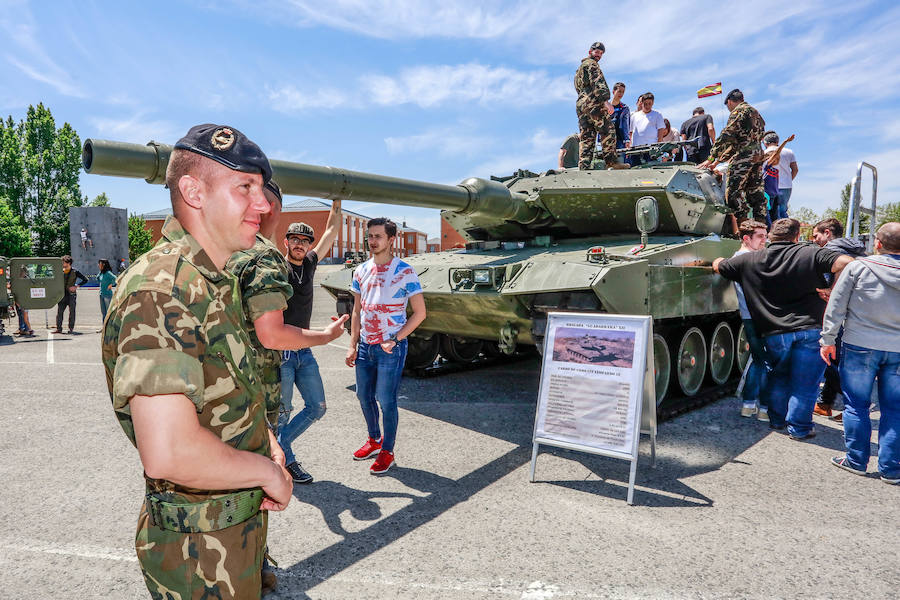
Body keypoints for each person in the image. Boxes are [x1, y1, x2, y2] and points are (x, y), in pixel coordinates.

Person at [101, 123, 294, 599]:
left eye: (262, 189)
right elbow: (170, 450)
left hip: (229, 534)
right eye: (245, 187)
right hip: (197, 556)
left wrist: (265, 440)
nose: (265, 204)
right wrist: (267, 473)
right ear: (193, 191)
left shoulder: (214, 280)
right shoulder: (162, 289)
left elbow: (226, 386)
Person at [713, 218, 854, 439]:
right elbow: (847, 262)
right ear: (797, 236)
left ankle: (777, 420)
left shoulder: (750, 259)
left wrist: (719, 258)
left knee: (778, 377)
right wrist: (832, 289)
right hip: (811, 328)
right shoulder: (812, 253)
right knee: (805, 384)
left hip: (774, 332)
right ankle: (799, 429)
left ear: (770, 237)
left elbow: (719, 266)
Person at [345, 218, 427, 474]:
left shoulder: (405, 271)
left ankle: (387, 452)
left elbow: (420, 313)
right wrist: (352, 344)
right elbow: (357, 310)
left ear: (391, 240)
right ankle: (374, 440)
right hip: (366, 347)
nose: (372, 241)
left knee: (386, 400)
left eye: (378, 236)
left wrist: (396, 338)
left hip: (390, 348)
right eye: (370, 236)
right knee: (363, 396)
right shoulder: (360, 271)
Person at [822, 222, 900, 484]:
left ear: (877, 243)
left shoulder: (858, 267)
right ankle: (891, 469)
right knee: (895, 409)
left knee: (856, 405)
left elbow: (836, 305)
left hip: (860, 344)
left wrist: (828, 339)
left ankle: (856, 460)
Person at [276, 198, 343, 484]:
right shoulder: (278, 267)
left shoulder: (311, 263)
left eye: (305, 240)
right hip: (281, 354)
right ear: (286, 242)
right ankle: (286, 461)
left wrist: (336, 200)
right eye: (295, 239)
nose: (300, 244)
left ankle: (277, 449)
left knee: (317, 407)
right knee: (282, 414)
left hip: (304, 351)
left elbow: (331, 232)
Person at [810, 218, 867, 420]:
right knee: (838, 361)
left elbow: (843, 267)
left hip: (842, 314)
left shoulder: (833, 248)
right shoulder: (856, 249)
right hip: (858, 313)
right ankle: (825, 403)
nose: (815, 240)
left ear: (827, 232)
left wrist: (833, 291)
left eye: (816, 235)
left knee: (833, 361)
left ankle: (856, 405)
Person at [699, 89, 767, 232]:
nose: (729, 109)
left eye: (728, 106)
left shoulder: (739, 111)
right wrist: (718, 161)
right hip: (757, 155)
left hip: (744, 156)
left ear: (730, 101)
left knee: (733, 194)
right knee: (756, 194)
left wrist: (712, 156)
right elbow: (740, 141)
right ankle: (761, 231)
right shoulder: (757, 114)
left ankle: (745, 230)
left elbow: (727, 135)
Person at [730, 220, 770, 420]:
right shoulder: (753, 259)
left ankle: (749, 404)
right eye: (760, 236)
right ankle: (764, 408)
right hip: (762, 316)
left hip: (749, 315)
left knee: (758, 360)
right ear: (746, 238)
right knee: (768, 361)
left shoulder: (737, 258)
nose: (765, 240)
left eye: (766, 235)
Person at [574, 42, 628, 171]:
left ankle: (584, 166)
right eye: (596, 52)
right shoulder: (592, 64)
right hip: (594, 103)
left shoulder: (579, 70)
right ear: (590, 52)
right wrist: (605, 101)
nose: (599, 55)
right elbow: (598, 82)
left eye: (601, 53)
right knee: (607, 130)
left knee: (587, 136)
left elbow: (577, 87)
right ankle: (611, 162)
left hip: (582, 105)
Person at [763, 132, 798, 219]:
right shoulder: (789, 152)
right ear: (777, 141)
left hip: (768, 186)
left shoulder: (764, 153)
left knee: (770, 211)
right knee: (783, 211)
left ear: (765, 142)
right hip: (786, 186)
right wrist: (789, 179)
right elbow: (795, 169)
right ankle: (786, 230)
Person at [629, 93, 666, 166]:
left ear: (653, 103)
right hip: (636, 148)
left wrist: (658, 145)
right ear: (641, 103)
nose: (647, 106)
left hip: (651, 148)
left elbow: (660, 131)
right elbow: (631, 132)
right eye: (645, 103)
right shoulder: (634, 116)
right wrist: (630, 145)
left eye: (650, 103)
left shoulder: (657, 114)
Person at [55, 255, 87, 334]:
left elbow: (85, 279)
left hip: (71, 295)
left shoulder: (75, 271)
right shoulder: (60, 271)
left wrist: (76, 286)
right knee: (59, 312)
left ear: (68, 263)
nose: (62, 263)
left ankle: (71, 328)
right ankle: (59, 329)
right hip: (62, 295)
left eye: (64, 262)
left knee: (72, 312)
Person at [610, 82, 631, 154]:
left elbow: (626, 125)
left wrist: (627, 140)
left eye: (623, 92)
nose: (621, 94)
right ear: (613, 92)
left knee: (621, 162)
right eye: (619, 91)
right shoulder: (606, 107)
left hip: (620, 141)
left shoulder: (624, 108)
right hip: (607, 140)